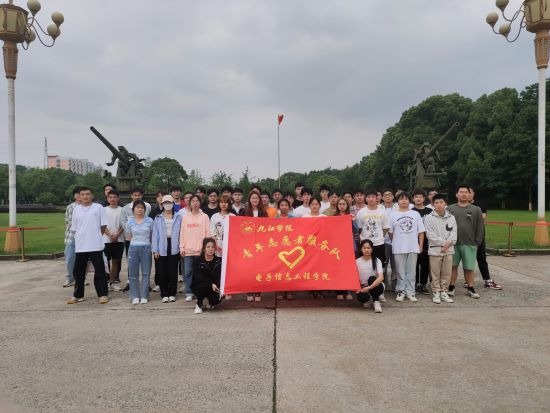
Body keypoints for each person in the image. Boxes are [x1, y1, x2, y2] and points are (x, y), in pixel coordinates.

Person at [66, 186, 109, 305]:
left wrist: (96, 236)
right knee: (78, 271)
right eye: (83, 194)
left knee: (100, 271)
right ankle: (78, 295)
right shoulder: (76, 209)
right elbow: (75, 228)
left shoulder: (98, 208)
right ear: (79, 196)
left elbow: (103, 226)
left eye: (88, 194)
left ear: (92, 196)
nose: (85, 196)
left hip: (95, 244)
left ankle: (103, 294)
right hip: (81, 245)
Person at [447, 186, 484, 299]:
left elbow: (480, 227)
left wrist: (477, 242)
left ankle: (470, 287)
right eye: (461, 192)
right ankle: (451, 286)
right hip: (453, 243)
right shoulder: (449, 209)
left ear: (470, 194)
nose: (463, 194)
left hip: (470, 243)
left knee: (469, 267)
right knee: (452, 266)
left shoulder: (476, 209)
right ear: (456, 194)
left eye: (466, 192)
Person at [389, 192, 425, 303]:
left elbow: (421, 232)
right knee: (400, 271)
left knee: (411, 271)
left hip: (413, 247)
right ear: (397, 202)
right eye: (401, 199)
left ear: (410, 201)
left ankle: (410, 292)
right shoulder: (393, 215)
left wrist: (420, 245)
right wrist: (396, 242)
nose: (404, 201)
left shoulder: (415, 214)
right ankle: (401, 291)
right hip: (398, 247)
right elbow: (391, 233)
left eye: (406, 199)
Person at [424, 194, 457, 304]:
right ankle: (436, 292)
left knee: (447, 273)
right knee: (435, 273)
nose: (439, 205)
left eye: (441, 202)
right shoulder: (429, 218)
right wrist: (443, 244)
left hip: (448, 250)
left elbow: (454, 234)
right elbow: (430, 235)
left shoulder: (451, 217)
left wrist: (447, 245)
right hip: (435, 250)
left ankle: (444, 292)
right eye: (436, 203)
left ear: (445, 203)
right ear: (433, 204)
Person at [469, 187, 502, 290]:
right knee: (467, 259)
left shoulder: (480, 204)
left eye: (469, 192)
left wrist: (468, 216)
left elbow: (482, 217)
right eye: (464, 192)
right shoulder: (459, 206)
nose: (466, 194)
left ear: (473, 193)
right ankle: (468, 281)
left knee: (481, 258)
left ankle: (487, 280)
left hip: (478, 236)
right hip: (465, 236)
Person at [179, 195, 210, 302]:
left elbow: (208, 233)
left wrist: (206, 248)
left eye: (197, 201)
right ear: (190, 203)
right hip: (188, 250)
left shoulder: (205, 217)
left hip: (200, 250)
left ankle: (199, 292)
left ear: (200, 203)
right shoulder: (185, 217)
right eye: (193, 201)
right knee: (188, 272)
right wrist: (182, 247)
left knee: (200, 273)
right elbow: (182, 233)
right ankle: (189, 292)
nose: (195, 203)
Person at [120, 187, 151, 290]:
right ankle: (130, 281)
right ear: (131, 196)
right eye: (135, 195)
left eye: (139, 195)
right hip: (131, 239)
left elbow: (148, 221)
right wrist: (132, 233)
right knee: (132, 262)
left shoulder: (147, 206)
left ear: (142, 196)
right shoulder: (125, 208)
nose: (137, 197)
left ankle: (146, 284)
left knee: (145, 264)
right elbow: (123, 222)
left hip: (144, 240)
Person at [152, 195, 182, 303]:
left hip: (174, 245)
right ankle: (164, 293)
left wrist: (181, 247)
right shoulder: (158, 218)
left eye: (169, 202)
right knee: (162, 270)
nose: (167, 204)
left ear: (173, 203)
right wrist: (155, 250)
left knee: (173, 271)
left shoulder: (179, 217)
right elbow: (155, 235)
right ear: (162, 204)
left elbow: (181, 233)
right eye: (165, 203)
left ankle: (172, 293)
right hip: (161, 245)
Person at [126, 200, 154, 305]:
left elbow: (152, 235)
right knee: (133, 274)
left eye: (142, 207)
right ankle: (135, 296)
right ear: (133, 209)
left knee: (146, 273)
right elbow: (129, 236)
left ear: (145, 209)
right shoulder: (130, 222)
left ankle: (144, 296)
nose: (140, 209)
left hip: (146, 248)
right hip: (133, 248)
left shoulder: (150, 221)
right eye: (137, 207)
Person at [242, 191, 268, 301]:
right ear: (249, 199)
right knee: (248, 269)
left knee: (259, 268)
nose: (255, 200)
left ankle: (258, 293)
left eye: (257, 198)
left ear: (259, 200)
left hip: (260, 245)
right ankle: (249, 292)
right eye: (253, 198)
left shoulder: (263, 212)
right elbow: (240, 227)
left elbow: (268, 227)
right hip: (247, 244)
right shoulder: (244, 212)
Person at [355, 188, 390, 266]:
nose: (371, 199)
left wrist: (380, 235)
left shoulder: (382, 211)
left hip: (379, 243)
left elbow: (386, 227)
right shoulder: (361, 212)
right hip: (365, 244)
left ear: (377, 198)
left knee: (380, 266)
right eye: (369, 197)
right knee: (365, 266)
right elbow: (359, 228)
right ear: (366, 199)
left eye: (373, 197)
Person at [191, 238, 222, 314]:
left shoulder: (219, 261)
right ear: (204, 249)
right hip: (200, 285)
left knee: (217, 299)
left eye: (213, 247)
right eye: (208, 247)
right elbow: (199, 277)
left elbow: (220, 276)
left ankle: (209, 301)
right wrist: (211, 284)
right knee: (203, 286)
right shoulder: (197, 261)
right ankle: (199, 304)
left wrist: (220, 287)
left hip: (214, 287)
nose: (211, 249)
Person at [334, 197, 357, 300]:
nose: (342, 206)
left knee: (349, 269)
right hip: (337, 246)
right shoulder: (334, 217)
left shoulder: (351, 216)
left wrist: (353, 221)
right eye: (340, 204)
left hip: (349, 246)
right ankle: (339, 291)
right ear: (337, 206)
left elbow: (356, 230)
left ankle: (348, 291)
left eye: (344, 204)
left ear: (347, 205)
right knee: (338, 269)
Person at [355, 239, 385, 313]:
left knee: (371, 278)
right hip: (363, 286)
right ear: (361, 249)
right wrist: (359, 289)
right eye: (364, 248)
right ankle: (367, 299)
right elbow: (354, 277)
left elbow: (381, 277)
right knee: (361, 297)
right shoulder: (357, 262)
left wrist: (369, 288)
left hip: (375, 285)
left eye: (368, 248)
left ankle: (376, 301)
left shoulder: (377, 260)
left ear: (372, 249)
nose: (366, 250)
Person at [103, 190, 124, 292]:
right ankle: (104, 283)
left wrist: (117, 235)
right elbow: (101, 224)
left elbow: (123, 224)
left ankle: (111, 283)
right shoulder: (103, 210)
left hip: (119, 239)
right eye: (110, 197)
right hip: (106, 240)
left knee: (115, 262)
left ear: (118, 198)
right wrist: (110, 235)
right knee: (105, 262)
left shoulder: (122, 210)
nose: (112, 199)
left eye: (114, 197)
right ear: (107, 199)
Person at [412, 188, 432, 295]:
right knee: (414, 264)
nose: (418, 199)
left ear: (424, 198)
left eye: (420, 197)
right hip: (414, 241)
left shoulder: (429, 211)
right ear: (413, 199)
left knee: (425, 264)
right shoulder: (411, 211)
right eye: (416, 197)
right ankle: (415, 284)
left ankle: (423, 284)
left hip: (427, 241)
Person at [62, 186, 81, 288]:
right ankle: (69, 278)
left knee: (82, 260)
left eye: (81, 194)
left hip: (84, 238)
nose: (79, 196)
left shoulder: (89, 207)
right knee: (70, 259)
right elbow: (69, 222)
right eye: (77, 194)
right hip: (72, 237)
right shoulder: (70, 207)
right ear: (74, 196)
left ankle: (80, 278)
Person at [382, 188, 396, 292]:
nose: (387, 196)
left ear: (393, 197)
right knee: (384, 265)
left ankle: (395, 285)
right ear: (382, 197)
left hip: (397, 240)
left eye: (389, 195)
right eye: (385, 195)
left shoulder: (398, 207)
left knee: (396, 265)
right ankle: (384, 285)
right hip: (383, 241)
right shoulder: (379, 208)